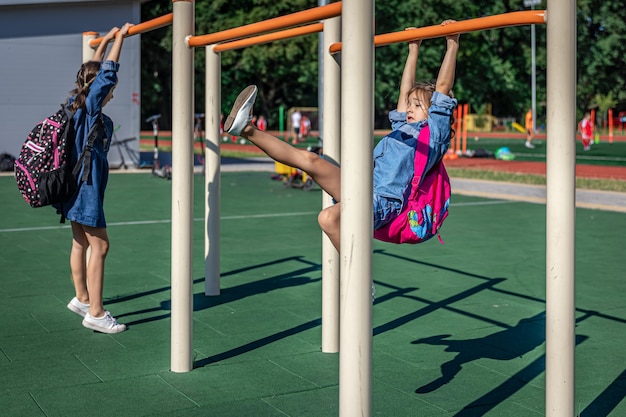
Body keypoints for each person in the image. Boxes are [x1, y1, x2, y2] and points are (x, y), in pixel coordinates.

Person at [224, 20, 460, 251]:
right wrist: (413, 48)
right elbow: (404, 90)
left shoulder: (433, 137)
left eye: (417, 105)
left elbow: (442, 88)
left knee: (328, 218)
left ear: (433, 113)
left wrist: (452, 43)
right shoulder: (402, 129)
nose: (409, 108)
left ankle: (360, 286)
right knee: (311, 160)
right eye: (410, 104)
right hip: (362, 186)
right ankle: (246, 129)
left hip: (384, 202)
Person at [57, 24, 133, 334]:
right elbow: (107, 74)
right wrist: (120, 39)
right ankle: (97, 313)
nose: (113, 90)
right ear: (99, 87)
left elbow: (89, 72)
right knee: (99, 247)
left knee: (80, 243)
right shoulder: (89, 109)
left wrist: (99, 48)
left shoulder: (76, 105)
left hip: (74, 186)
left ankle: (82, 298)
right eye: (108, 86)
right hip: (86, 188)